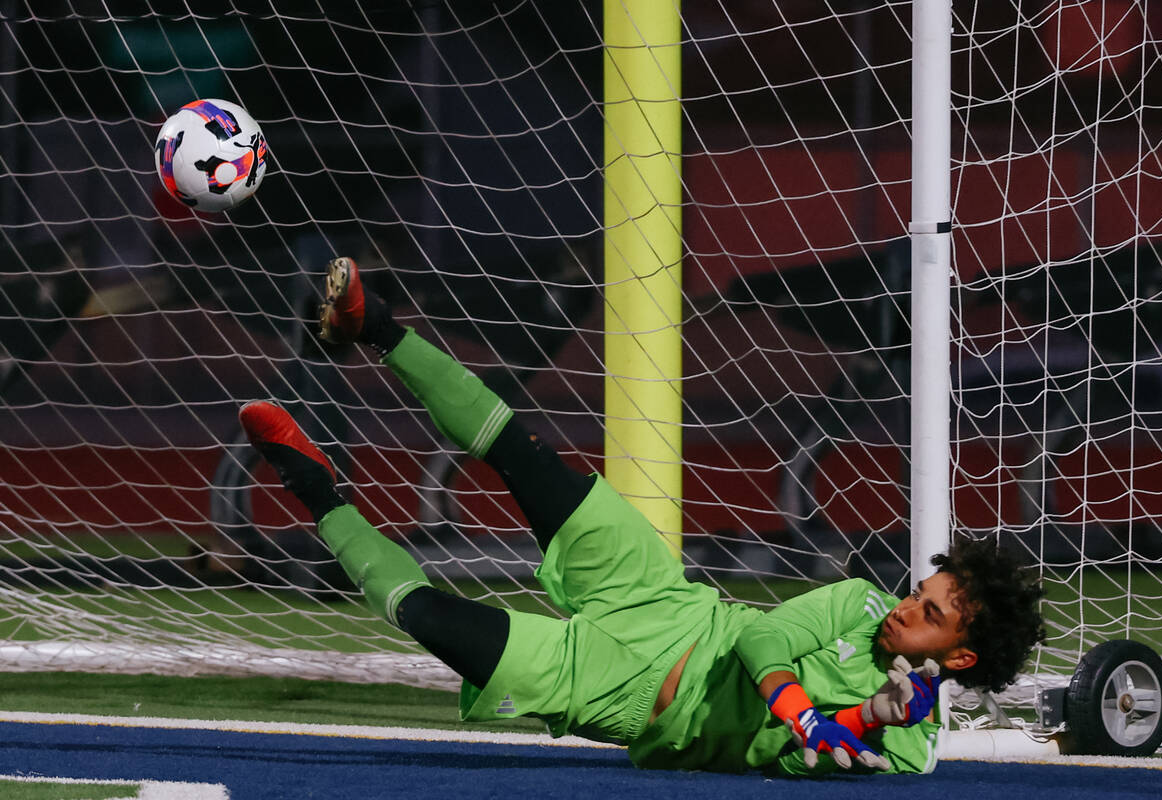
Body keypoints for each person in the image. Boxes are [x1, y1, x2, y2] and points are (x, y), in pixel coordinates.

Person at [238, 255, 1046, 777]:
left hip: (628, 693)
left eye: (930, 613)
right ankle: (371, 326)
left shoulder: (904, 754)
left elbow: (822, 757)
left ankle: (314, 489)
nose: (909, 605)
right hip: (671, 603)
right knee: (527, 457)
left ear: (962, 657)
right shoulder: (864, 604)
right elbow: (764, 640)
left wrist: (860, 722)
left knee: (427, 617)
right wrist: (811, 710)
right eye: (923, 590)